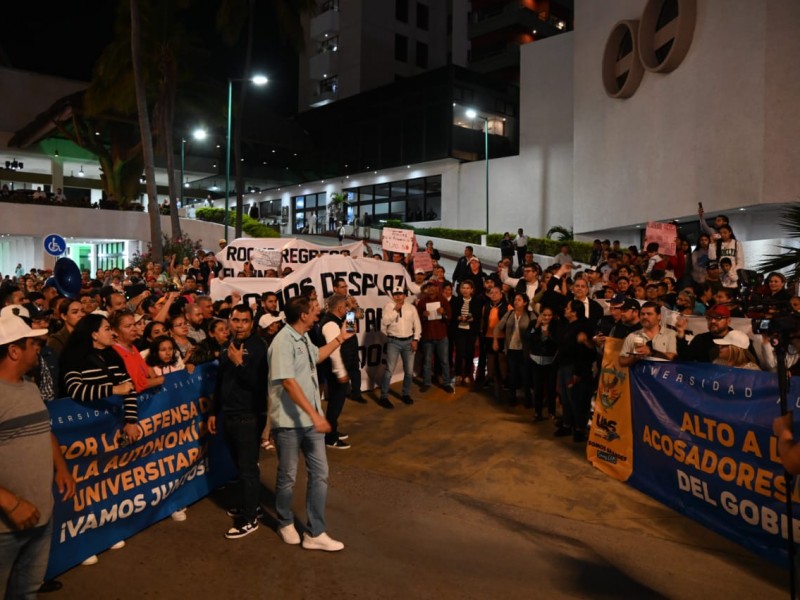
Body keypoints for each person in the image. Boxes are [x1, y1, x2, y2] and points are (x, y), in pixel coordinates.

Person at [268, 295, 353, 551]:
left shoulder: (303, 336)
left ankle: (315, 532)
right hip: (289, 422)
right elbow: (288, 382)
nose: (318, 313)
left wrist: (339, 339)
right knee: (288, 476)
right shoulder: (282, 341)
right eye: (314, 309)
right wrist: (316, 415)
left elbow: (316, 356)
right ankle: (285, 521)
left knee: (320, 475)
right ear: (303, 315)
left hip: (311, 420)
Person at [0, 315, 75, 598]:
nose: (39, 349)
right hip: (5, 526)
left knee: (27, 588)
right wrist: (11, 503)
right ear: (14, 350)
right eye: (33, 344)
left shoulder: (29, 387)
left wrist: (61, 468)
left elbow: (45, 431)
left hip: (41, 515)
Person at [207, 305, 268, 539]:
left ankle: (250, 518)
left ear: (252, 323)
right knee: (241, 468)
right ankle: (252, 506)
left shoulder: (259, 348)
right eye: (235, 320)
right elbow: (221, 382)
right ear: (229, 321)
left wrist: (239, 364)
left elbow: (259, 385)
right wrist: (214, 411)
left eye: (244, 320)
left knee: (248, 469)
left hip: (249, 417)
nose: (239, 325)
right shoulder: (227, 347)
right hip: (229, 416)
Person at [319, 295, 358, 449]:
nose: (347, 309)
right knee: (335, 404)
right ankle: (330, 437)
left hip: (342, 366)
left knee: (337, 404)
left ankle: (332, 430)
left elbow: (349, 332)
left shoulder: (335, 320)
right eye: (345, 306)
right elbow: (334, 351)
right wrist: (340, 371)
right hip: (335, 371)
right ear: (339, 307)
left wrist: (352, 312)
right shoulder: (330, 324)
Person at [378, 286, 422, 409]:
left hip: (408, 341)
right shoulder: (389, 306)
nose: (398, 296)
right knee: (389, 370)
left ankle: (406, 394)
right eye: (395, 294)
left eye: (400, 294)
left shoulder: (411, 308)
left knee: (409, 371)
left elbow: (417, 325)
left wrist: (416, 339)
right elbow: (385, 322)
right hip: (394, 342)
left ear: (404, 295)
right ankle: (384, 396)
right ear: (393, 296)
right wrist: (395, 311)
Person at [416, 280, 454, 393]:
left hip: (441, 336)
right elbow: (417, 320)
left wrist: (443, 313)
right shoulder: (422, 302)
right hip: (427, 336)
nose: (431, 289)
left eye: (433, 286)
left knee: (444, 361)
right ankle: (426, 383)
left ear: (438, 288)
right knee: (427, 362)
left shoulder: (443, 300)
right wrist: (423, 315)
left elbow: (449, 317)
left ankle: (446, 383)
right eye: (429, 287)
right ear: (427, 289)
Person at [619, 302, 678, 367]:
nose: (645, 317)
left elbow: (672, 357)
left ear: (659, 316)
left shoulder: (671, 334)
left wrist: (651, 352)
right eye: (642, 314)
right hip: (639, 376)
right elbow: (622, 361)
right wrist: (635, 357)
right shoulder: (632, 336)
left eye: (649, 314)